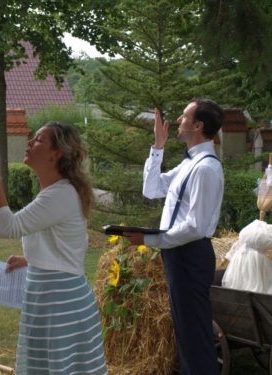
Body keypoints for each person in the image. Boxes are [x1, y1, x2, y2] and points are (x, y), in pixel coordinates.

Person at [0, 122, 108, 375]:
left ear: (56, 154)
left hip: (60, 302)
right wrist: (31, 258)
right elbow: (74, 243)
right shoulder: (57, 191)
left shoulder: (59, 194)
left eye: (39, 140)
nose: (30, 142)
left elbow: (7, 228)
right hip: (56, 296)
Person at [123, 98, 225, 375]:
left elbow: (194, 226)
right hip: (180, 254)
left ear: (198, 125)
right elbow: (152, 188)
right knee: (186, 333)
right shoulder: (192, 164)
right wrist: (158, 146)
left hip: (190, 255)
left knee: (194, 337)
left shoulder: (204, 168)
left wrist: (150, 240)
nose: (179, 120)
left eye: (184, 116)